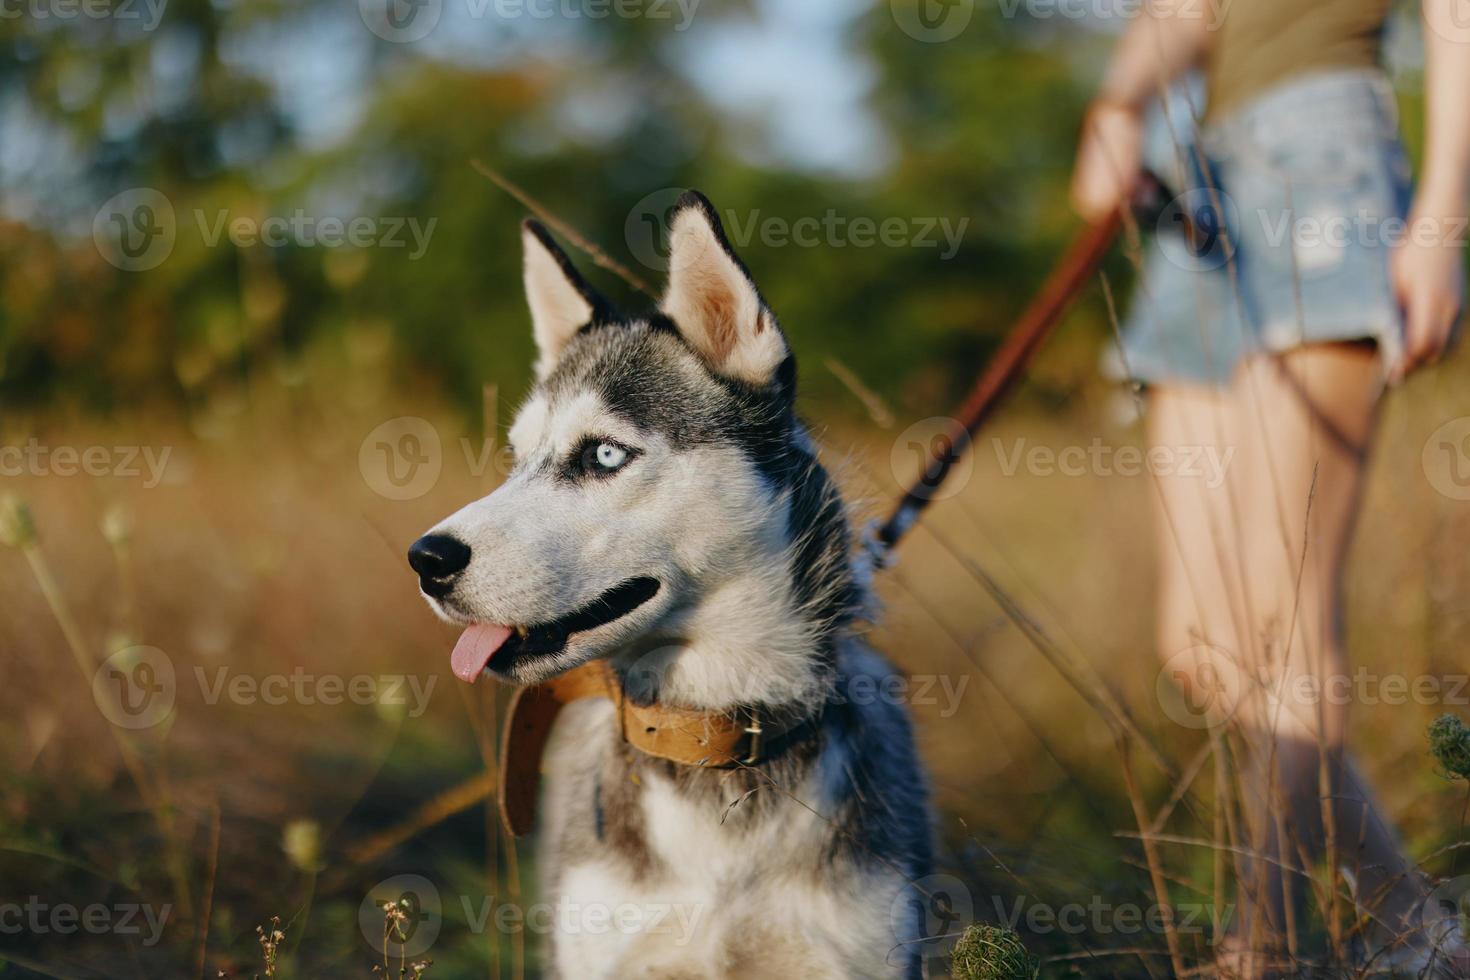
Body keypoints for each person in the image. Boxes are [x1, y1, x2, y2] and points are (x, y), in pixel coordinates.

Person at [1070, 0, 1470, 975]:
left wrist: (1441, 224)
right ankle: (1420, 932)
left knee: (1284, 612)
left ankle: (1263, 950)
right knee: (1202, 644)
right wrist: (1120, 103)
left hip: (1327, 158)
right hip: (1204, 182)